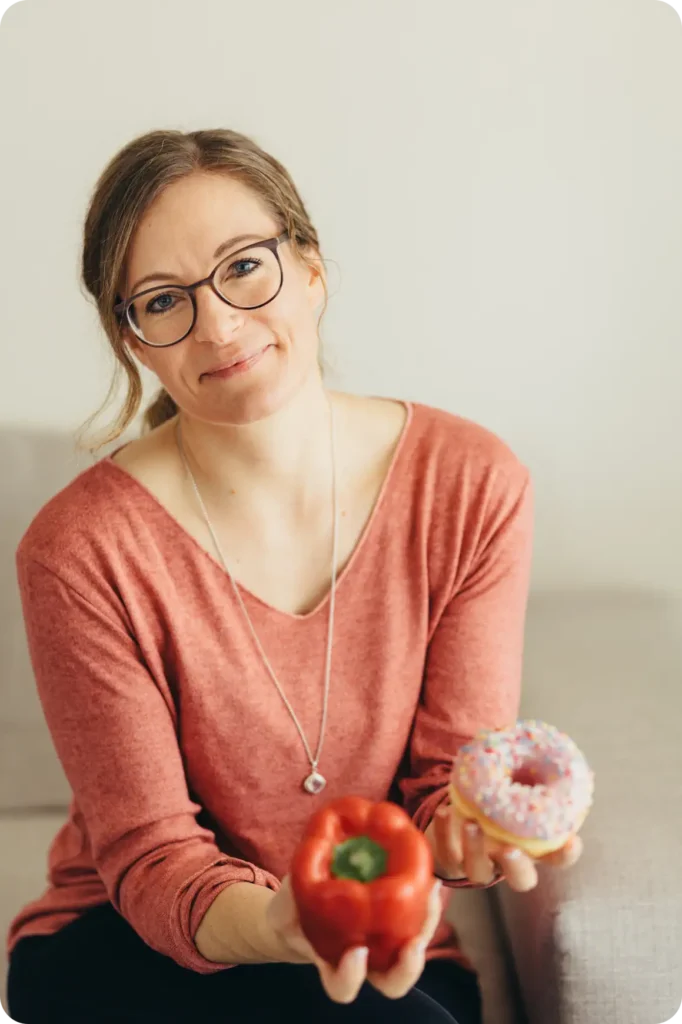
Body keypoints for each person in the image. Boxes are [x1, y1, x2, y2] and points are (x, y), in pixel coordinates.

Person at [5, 128, 582, 1024]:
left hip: (383, 938)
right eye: (163, 301)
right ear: (134, 342)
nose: (218, 326)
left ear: (310, 268)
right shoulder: (79, 550)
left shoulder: (470, 485)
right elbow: (153, 861)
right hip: (128, 944)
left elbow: (444, 786)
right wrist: (283, 923)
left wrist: (472, 832)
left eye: (244, 267)